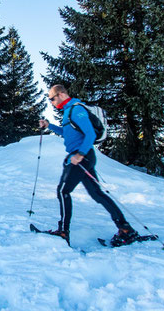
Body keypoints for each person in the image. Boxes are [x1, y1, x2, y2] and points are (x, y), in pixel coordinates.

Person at [38, 84, 138, 246]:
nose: (51, 102)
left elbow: (90, 134)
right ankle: (126, 229)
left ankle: (63, 232)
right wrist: (49, 126)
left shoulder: (76, 109)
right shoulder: (68, 113)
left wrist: (80, 154)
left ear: (62, 94)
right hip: (81, 156)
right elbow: (67, 133)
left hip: (81, 157)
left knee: (63, 191)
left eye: (52, 98)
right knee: (97, 194)